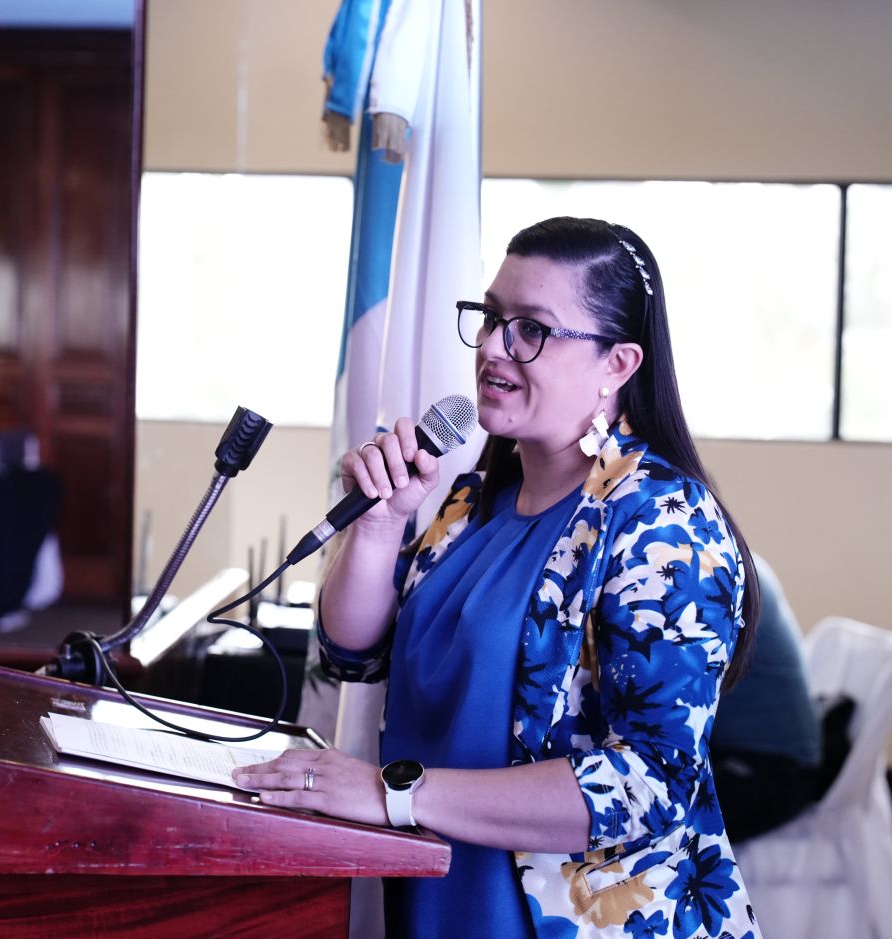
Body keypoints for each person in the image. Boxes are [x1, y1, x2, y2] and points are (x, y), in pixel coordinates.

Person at [236, 217, 762, 938]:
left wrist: (395, 795)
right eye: (489, 318)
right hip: (436, 894)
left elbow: (649, 783)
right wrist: (382, 526)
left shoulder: (663, 523)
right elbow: (353, 653)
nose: (491, 347)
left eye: (532, 329)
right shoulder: (473, 500)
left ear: (618, 363)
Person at [711, 554, 823, 842]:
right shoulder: (730, 558)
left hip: (771, 773)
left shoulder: (714, 571)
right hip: (764, 758)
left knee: (643, 818)